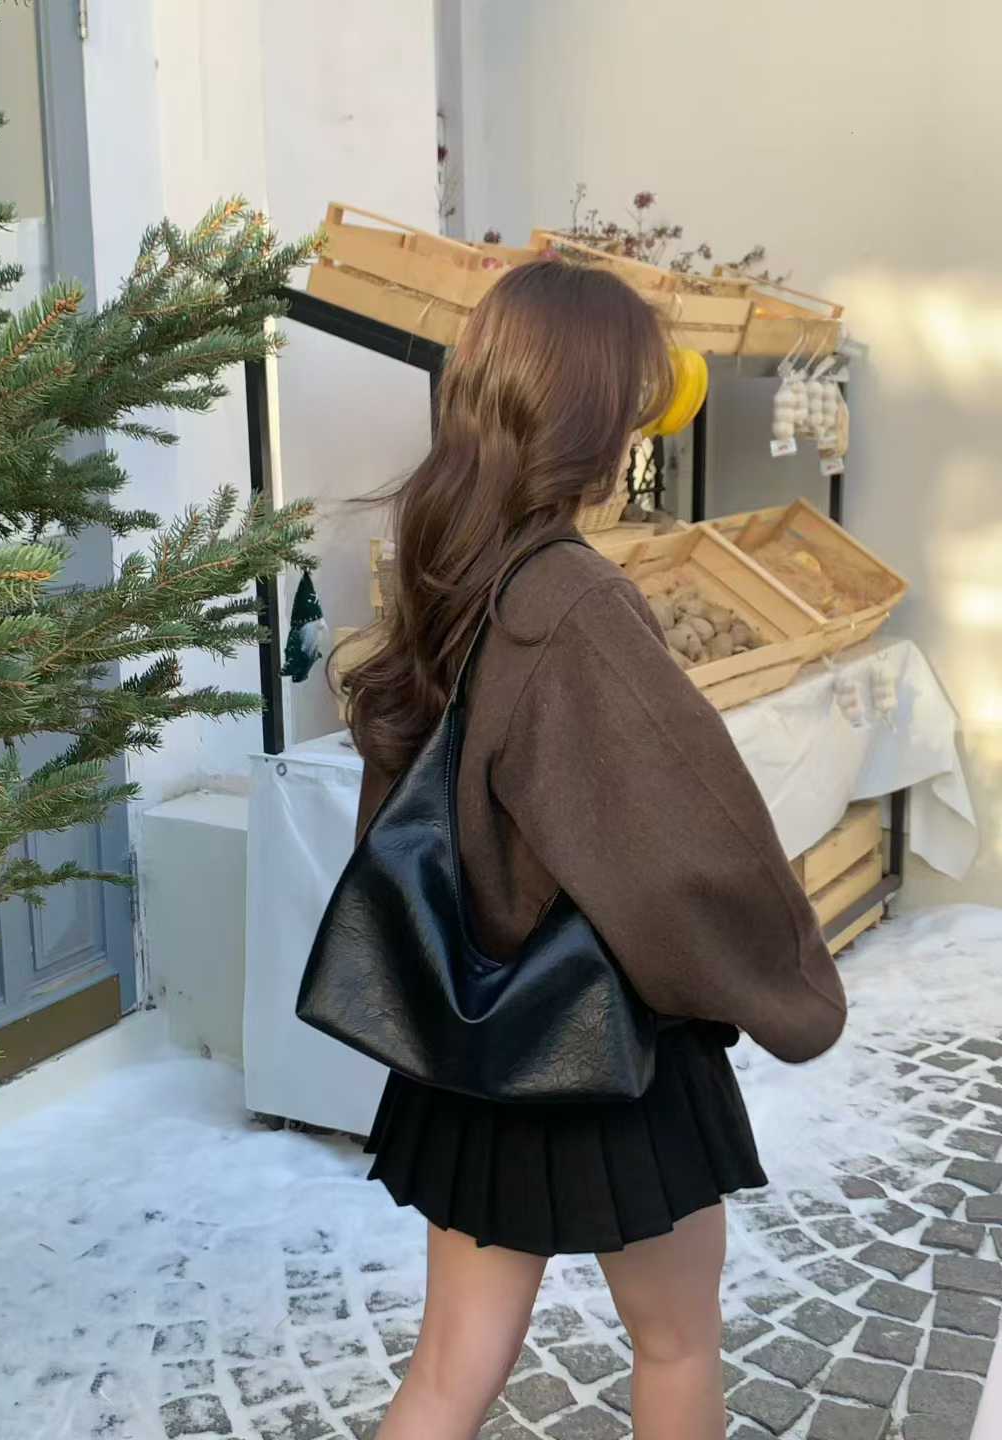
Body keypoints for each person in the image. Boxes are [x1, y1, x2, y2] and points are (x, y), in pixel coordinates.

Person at [340, 260, 847, 1440]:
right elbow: (685, 843)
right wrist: (781, 985)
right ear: (590, 421)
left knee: (447, 1372)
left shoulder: (448, 574)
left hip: (476, 1042)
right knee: (677, 1345)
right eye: (629, 409)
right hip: (608, 1046)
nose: (634, 439)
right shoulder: (573, 600)